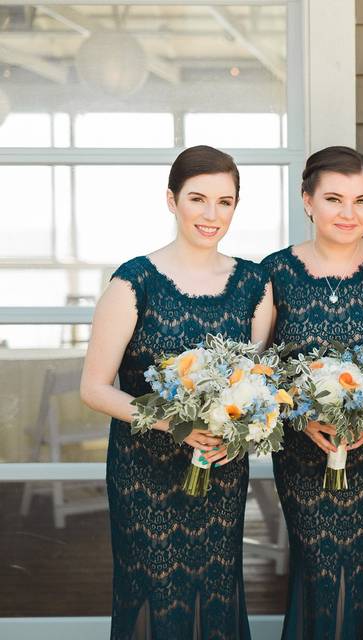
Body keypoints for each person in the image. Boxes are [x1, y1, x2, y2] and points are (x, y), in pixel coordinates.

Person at [80, 145, 273, 639]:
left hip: (221, 474)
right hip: (144, 474)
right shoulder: (134, 282)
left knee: (216, 590)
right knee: (154, 591)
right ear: (171, 200)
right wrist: (179, 423)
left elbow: (252, 385)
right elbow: (94, 388)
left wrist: (238, 426)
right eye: (198, 199)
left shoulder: (254, 284)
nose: (212, 215)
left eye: (225, 202)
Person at [262, 146, 363, 639]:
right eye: (334, 199)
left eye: (361, 200)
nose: (350, 214)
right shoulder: (275, 272)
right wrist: (300, 415)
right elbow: (260, 369)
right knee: (318, 573)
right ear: (307, 201)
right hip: (305, 454)